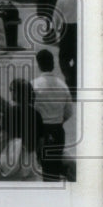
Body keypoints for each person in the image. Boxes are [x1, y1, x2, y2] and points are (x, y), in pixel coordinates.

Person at [32, 50, 74, 182]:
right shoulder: (63, 85)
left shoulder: (34, 85)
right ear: (53, 64)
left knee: (45, 166)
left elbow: (30, 110)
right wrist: (59, 121)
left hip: (41, 132)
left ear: (39, 65)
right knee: (55, 166)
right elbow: (69, 112)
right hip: (58, 131)